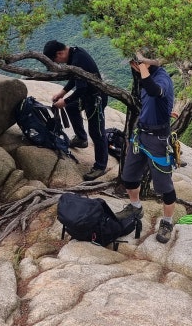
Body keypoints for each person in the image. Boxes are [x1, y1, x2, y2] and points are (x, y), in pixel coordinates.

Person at [116, 53, 178, 244]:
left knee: (164, 186)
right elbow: (153, 101)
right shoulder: (145, 77)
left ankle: (167, 222)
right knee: (129, 177)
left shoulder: (161, 78)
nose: (133, 67)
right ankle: (136, 207)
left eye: (135, 64)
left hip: (158, 139)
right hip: (141, 135)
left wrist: (143, 64)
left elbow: (154, 91)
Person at [43, 40, 109, 181]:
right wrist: (62, 93)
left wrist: (64, 101)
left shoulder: (78, 60)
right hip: (87, 95)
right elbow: (75, 78)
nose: (58, 63)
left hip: (95, 97)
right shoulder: (74, 53)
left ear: (59, 53)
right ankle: (81, 139)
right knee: (72, 107)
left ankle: (100, 166)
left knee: (97, 132)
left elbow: (81, 88)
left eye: (56, 60)